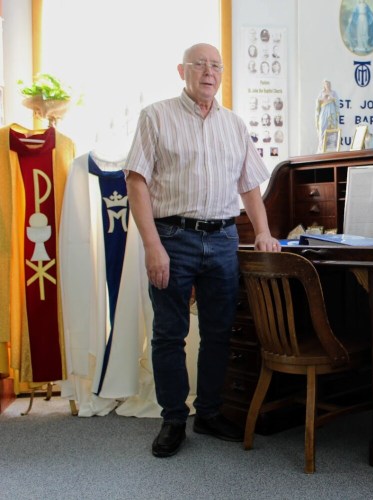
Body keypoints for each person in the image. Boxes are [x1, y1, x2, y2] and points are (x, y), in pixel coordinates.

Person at [125, 42, 281, 459]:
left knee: (218, 331)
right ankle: (174, 418)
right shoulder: (155, 116)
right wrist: (153, 245)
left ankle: (209, 414)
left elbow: (250, 184)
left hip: (224, 239)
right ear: (182, 71)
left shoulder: (234, 124)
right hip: (173, 238)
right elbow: (136, 181)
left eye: (216, 66)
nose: (209, 72)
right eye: (200, 65)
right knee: (169, 333)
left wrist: (263, 232)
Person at [315, 80, 340, 153]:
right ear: (324, 85)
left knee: (332, 128)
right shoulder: (321, 93)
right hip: (324, 112)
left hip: (331, 112)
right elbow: (318, 101)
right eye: (326, 84)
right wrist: (324, 99)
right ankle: (321, 146)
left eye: (329, 84)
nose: (328, 85)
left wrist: (331, 98)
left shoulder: (333, 93)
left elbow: (337, 101)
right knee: (322, 127)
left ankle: (331, 146)